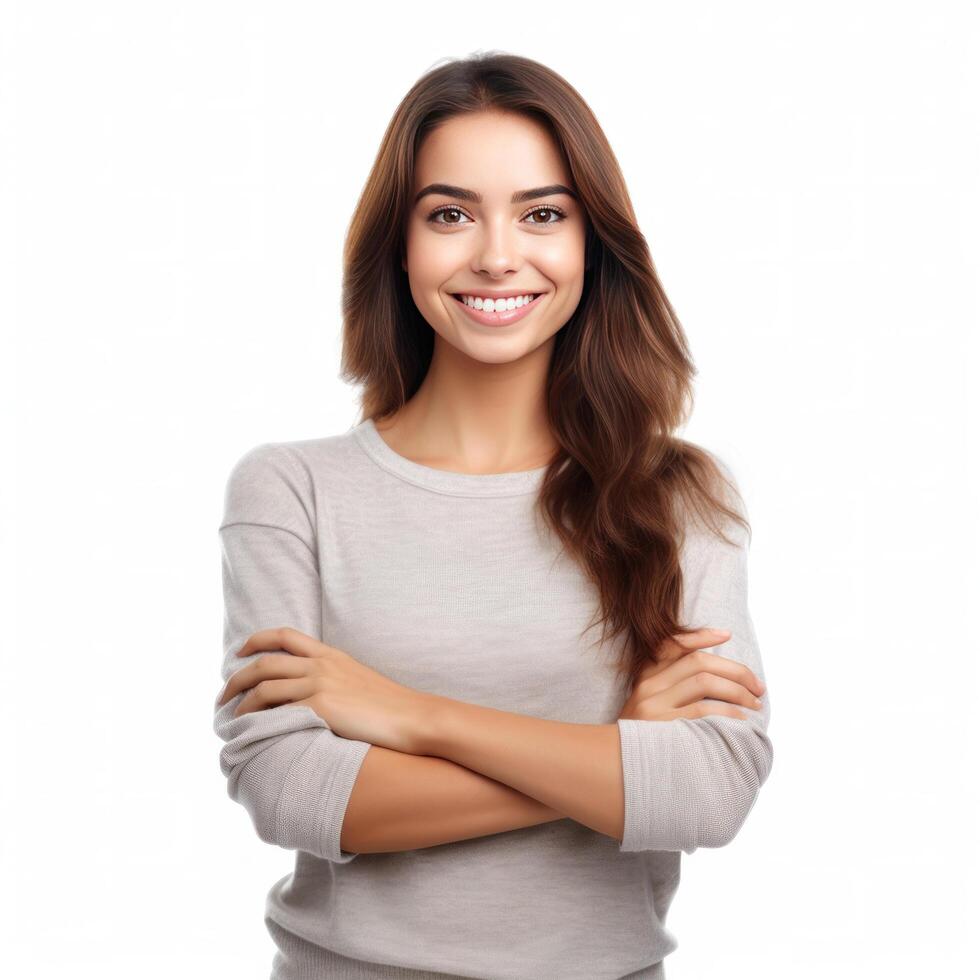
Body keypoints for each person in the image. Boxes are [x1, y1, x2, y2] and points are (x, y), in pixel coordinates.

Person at [213, 51, 773, 980]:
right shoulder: (290, 491)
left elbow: (709, 794)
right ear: (400, 243)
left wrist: (407, 717)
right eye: (450, 214)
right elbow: (292, 794)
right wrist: (612, 759)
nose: (498, 255)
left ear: (593, 243)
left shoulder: (676, 495)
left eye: (543, 213)